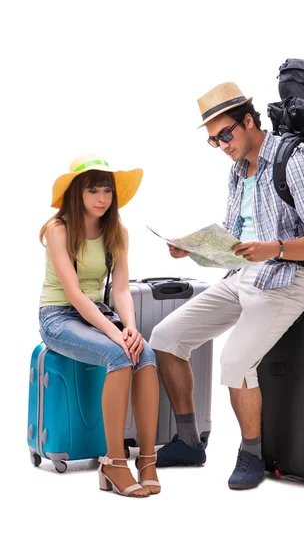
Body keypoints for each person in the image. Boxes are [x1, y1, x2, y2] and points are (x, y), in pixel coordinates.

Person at [149, 82, 304, 490]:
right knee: (165, 338)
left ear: (249, 120)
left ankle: (251, 452)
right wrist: (195, 249)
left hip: (291, 277)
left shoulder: (296, 159)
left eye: (226, 135)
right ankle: (187, 440)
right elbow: (236, 241)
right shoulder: (238, 171)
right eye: (213, 140)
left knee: (235, 362)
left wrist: (276, 248)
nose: (221, 146)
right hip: (242, 276)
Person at [39, 154, 161, 498]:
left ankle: (148, 460)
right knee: (119, 355)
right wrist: (115, 334)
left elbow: (121, 288)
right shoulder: (58, 229)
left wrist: (131, 328)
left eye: (107, 190)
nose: (102, 198)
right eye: (93, 190)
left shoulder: (116, 230)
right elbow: (75, 294)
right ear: (78, 193)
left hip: (101, 314)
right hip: (59, 316)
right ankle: (114, 462)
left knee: (146, 355)